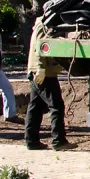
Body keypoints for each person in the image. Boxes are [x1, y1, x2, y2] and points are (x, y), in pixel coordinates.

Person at [24, 18, 75, 151]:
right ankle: (59, 140)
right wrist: (40, 68)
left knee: (35, 107)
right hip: (44, 73)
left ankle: (31, 141)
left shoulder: (44, 23)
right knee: (56, 105)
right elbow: (39, 45)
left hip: (40, 71)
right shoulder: (44, 24)